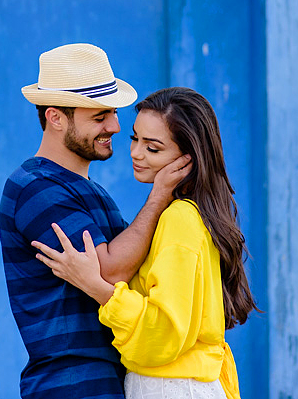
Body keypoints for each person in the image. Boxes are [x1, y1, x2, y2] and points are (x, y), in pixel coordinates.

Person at [32, 87, 257, 399]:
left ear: (186, 160)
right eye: (134, 139)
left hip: (172, 387)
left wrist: (94, 285)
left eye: (152, 148)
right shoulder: (177, 214)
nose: (136, 153)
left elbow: (162, 332)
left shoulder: (180, 219)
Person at [0, 43, 192, 399]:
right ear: (56, 117)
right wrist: (159, 196)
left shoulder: (89, 190)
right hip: (72, 383)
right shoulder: (36, 187)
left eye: (113, 113)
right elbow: (109, 273)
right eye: (99, 116)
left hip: (105, 379)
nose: (116, 126)